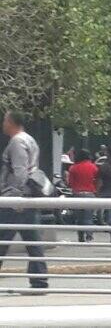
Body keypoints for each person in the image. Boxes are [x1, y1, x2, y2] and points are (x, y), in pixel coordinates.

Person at [0, 111, 48, 290]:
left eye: (5, 120)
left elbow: (20, 172)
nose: (3, 123)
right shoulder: (30, 140)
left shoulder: (17, 142)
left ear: (12, 122)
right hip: (27, 199)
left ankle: (39, 280)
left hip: (14, 200)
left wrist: (18, 198)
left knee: (2, 240)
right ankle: (39, 280)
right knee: (33, 241)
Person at [68, 149, 98, 242]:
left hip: (77, 194)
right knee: (88, 217)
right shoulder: (94, 167)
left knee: (79, 217)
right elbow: (97, 181)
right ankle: (89, 236)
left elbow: (70, 183)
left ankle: (80, 236)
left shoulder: (73, 168)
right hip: (90, 194)